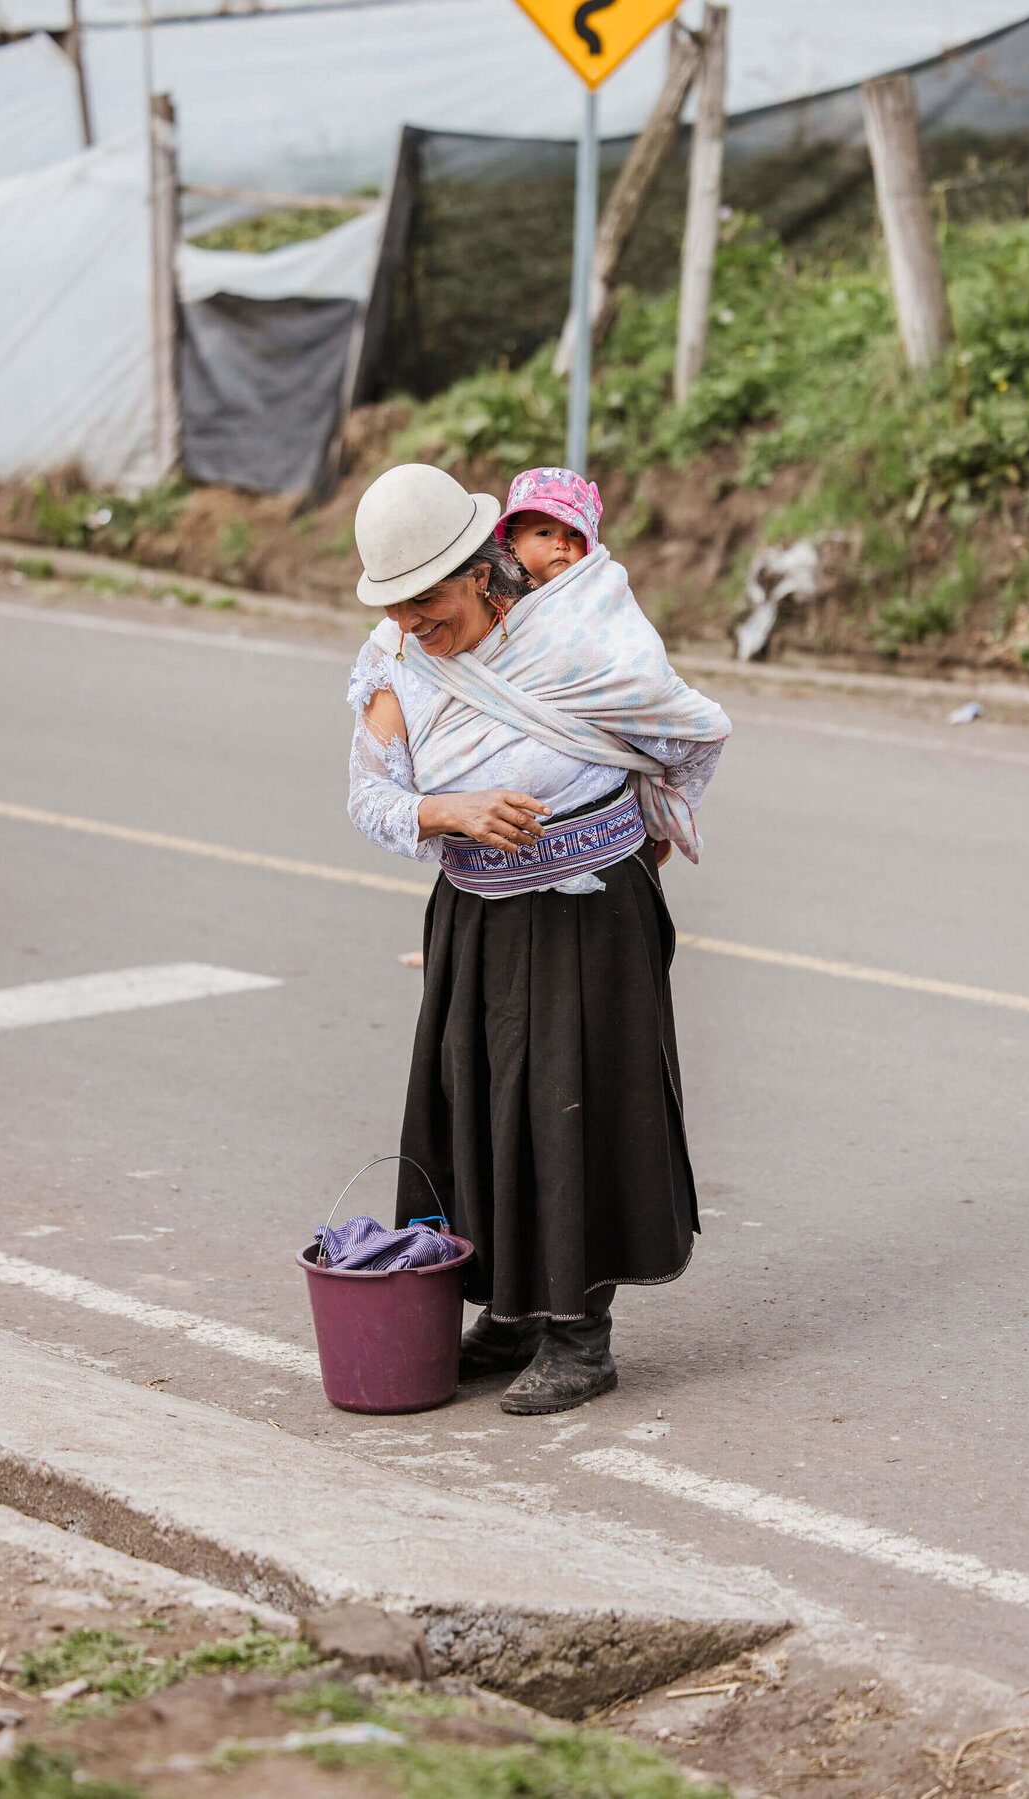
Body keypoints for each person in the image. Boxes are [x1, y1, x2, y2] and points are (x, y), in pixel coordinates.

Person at [346, 462, 731, 1416]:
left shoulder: (580, 622)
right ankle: (507, 1314)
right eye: (395, 606)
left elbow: (689, 733)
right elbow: (370, 796)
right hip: (476, 914)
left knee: (573, 1106)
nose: (410, 624)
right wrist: (452, 810)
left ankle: (579, 1335)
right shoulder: (398, 659)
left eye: (426, 601)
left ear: (482, 569)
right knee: (475, 1106)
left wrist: (633, 846)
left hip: (590, 915)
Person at [496, 466, 601, 589]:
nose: (561, 544)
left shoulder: (603, 594)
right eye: (544, 533)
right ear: (514, 547)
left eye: (575, 534)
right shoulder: (507, 604)